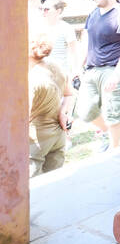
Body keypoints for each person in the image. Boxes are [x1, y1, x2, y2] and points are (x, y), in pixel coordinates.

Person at [77, 0, 120, 152]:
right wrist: (79, 66)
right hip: (91, 69)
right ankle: (107, 133)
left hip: (110, 68)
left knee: (113, 112)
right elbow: (86, 41)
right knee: (85, 111)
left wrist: (117, 74)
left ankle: (114, 148)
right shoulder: (93, 14)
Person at [29, 36, 73, 176]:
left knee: (32, 188)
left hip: (35, 143)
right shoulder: (56, 66)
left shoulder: (31, 80)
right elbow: (69, 94)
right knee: (53, 185)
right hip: (58, 137)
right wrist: (63, 112)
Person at [39, 0, 80, 78]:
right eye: (42, 9)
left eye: (47, 9)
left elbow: (73, 53)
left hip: (60, 73)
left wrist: (75, 72)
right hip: (40, 72)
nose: (43, 12)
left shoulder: (66, 28)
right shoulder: (38, 27)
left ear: (58, 11)